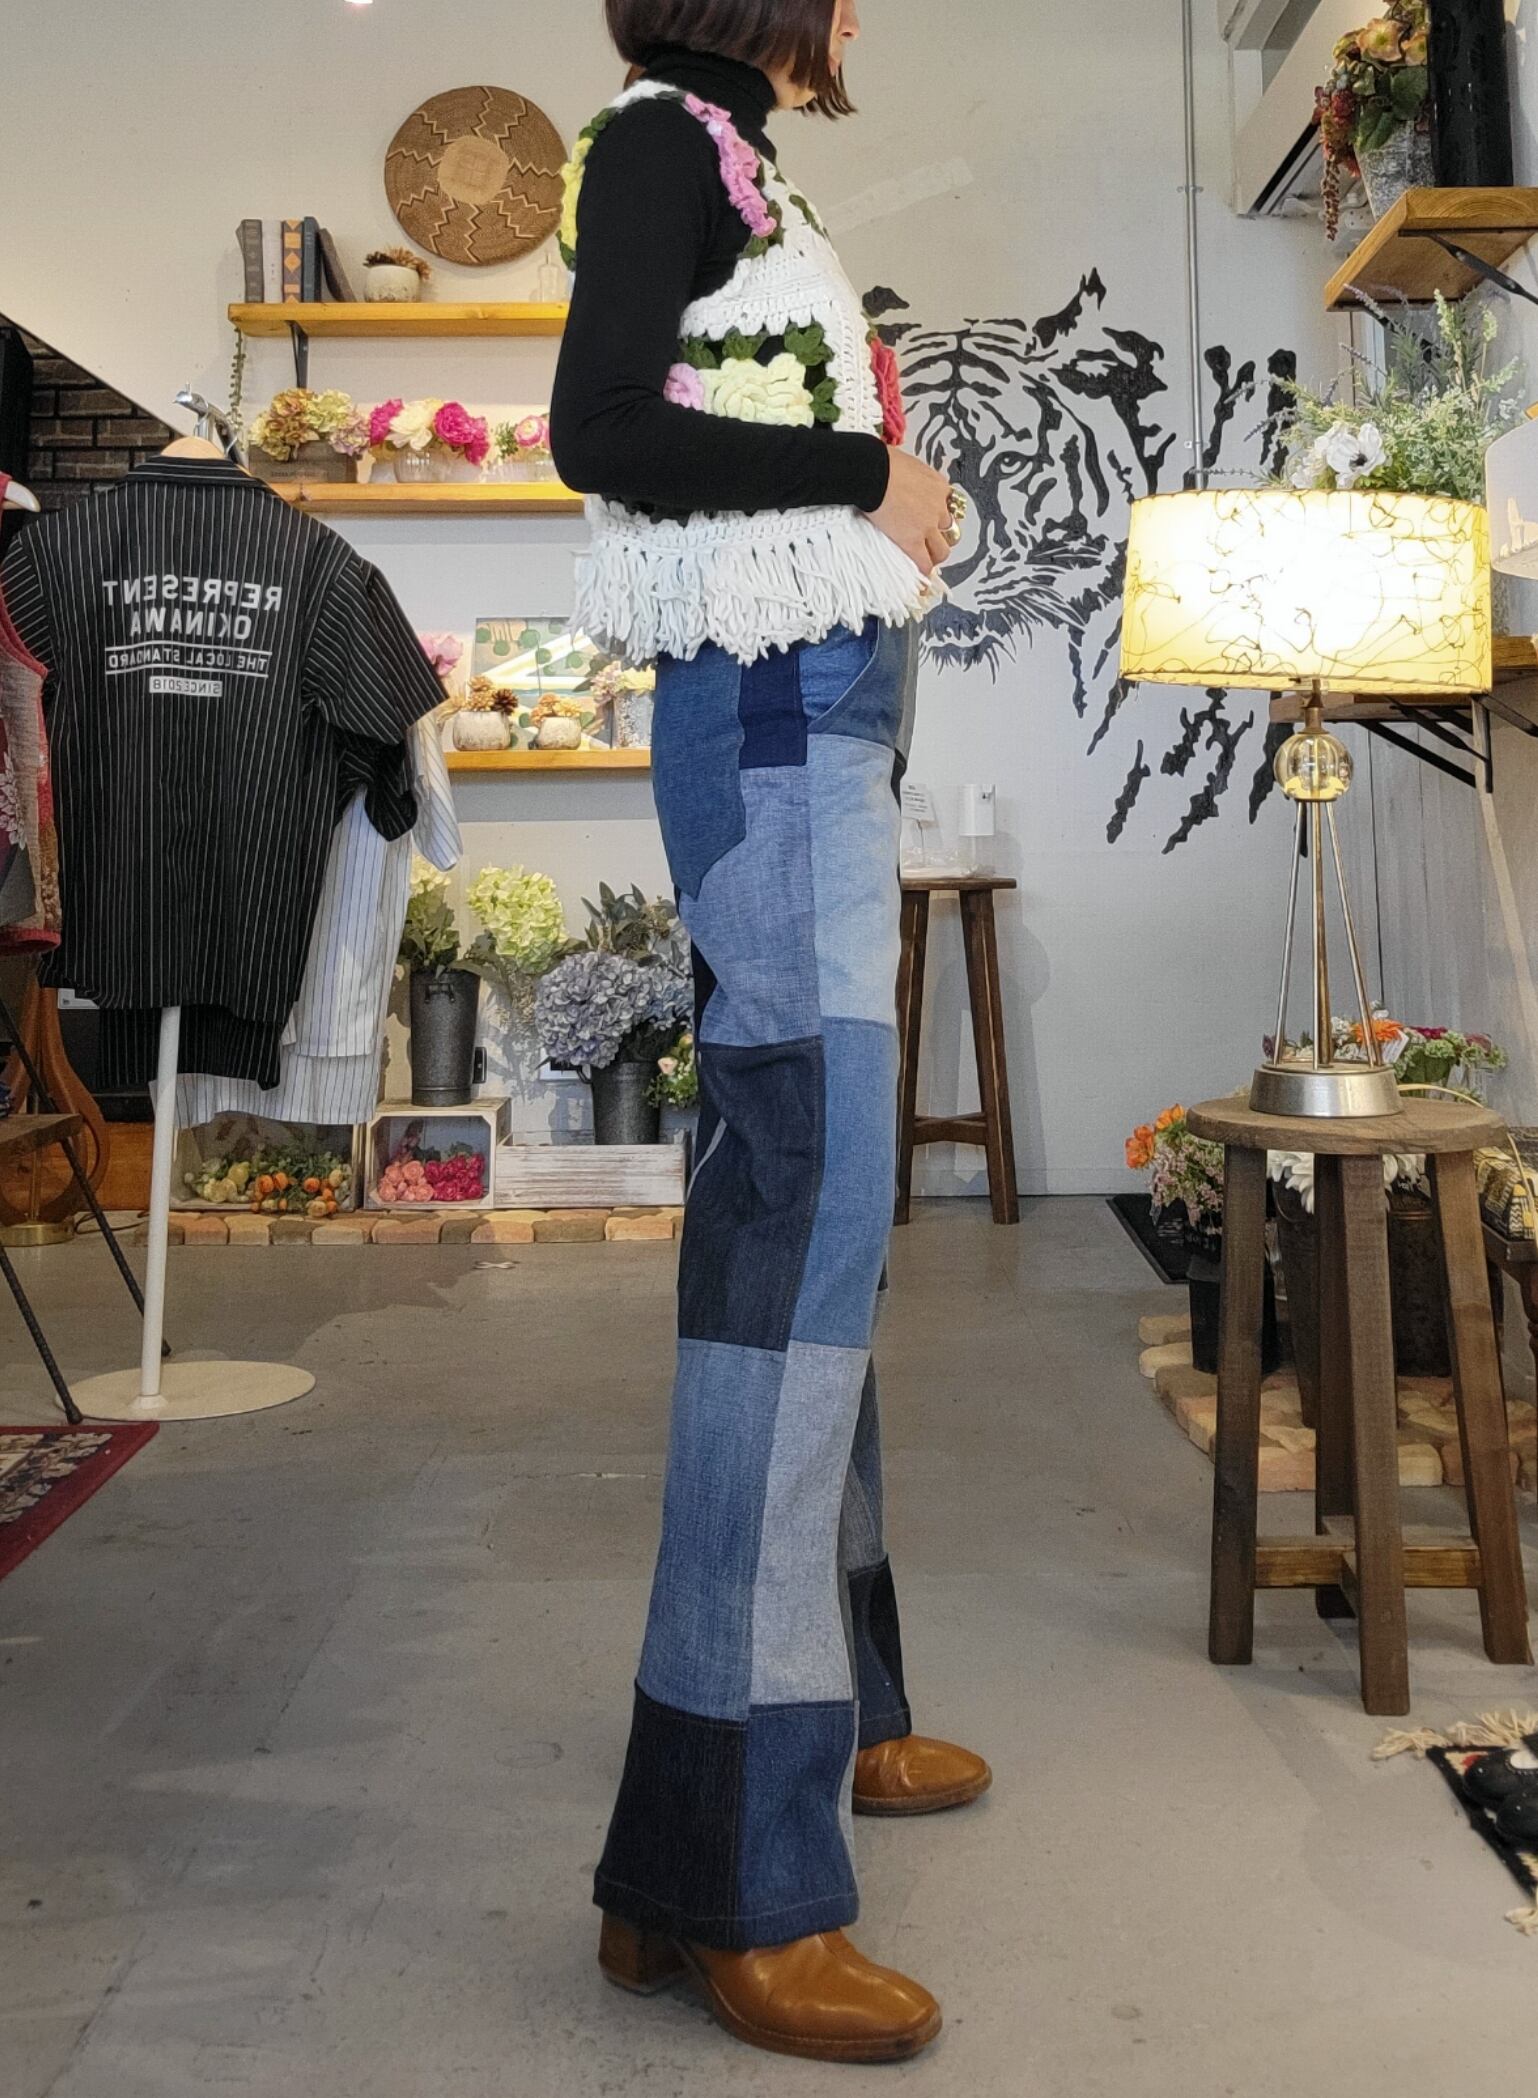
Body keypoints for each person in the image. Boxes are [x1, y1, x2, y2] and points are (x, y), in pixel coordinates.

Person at [552, 0, 989, 2065]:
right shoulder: (660, 140)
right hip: (768, 720)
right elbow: (603, 429)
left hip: (808, 712)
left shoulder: (728, 155)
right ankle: (716, 1861)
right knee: (791, 1217)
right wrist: (868, 468)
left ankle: (839, 1703)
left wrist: (875, 489)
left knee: (818, 1229)